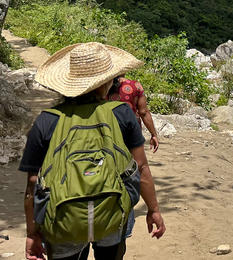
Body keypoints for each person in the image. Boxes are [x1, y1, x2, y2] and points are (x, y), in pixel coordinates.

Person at [19, 42, 166, 260]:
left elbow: (33, 182)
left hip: (63, 219)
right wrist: (153, 209)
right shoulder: (122, 113)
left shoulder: (46, 121)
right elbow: (141, 167)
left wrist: (32, 233)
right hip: (112, 214)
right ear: (107, 81)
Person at [108, 76, 159, 153]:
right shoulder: (135, 86)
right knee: (134, 161)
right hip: (131, 132)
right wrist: (153, 134)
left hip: (108, 131)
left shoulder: (102, 86)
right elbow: (143, 112)